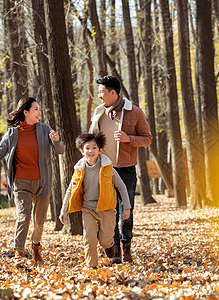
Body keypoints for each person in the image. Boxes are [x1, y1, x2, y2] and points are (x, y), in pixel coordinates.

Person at [0, 97, 65, 264]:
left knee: (39, 222)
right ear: (25, 112)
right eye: (36, 109)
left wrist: (56, 141)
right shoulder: (12, 134)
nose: (39, 112)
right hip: (21, 183)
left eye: (39, 109)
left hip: (43, 183)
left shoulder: (45, 129)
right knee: (23, 217)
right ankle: (19, 252)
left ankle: (35, 247)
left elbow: (61, 151)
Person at [89, 75, 152, 264]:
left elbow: (148, 138)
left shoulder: (134, 112)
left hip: (126, 170)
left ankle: (127, 248)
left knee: (126, 211)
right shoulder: (98, 113)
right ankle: (114, 248)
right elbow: (93, 140)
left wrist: (129, 139)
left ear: (112, 92)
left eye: (102, 92)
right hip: (105, 170)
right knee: (110, 211)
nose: (99, 96)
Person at [59, 132, 131, 268]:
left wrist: (126, 207)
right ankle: (92, 267)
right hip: (88, 209)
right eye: (87, 148)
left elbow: (121, 186)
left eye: (94, 147)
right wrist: (64, 210)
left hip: (107, 209)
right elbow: (70, 190)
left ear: (100, 150)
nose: (90, 151)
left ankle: (109, 246)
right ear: (82, 151)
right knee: (89, 239)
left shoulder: (107, 167)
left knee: (105, 241)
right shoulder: (79, 170)